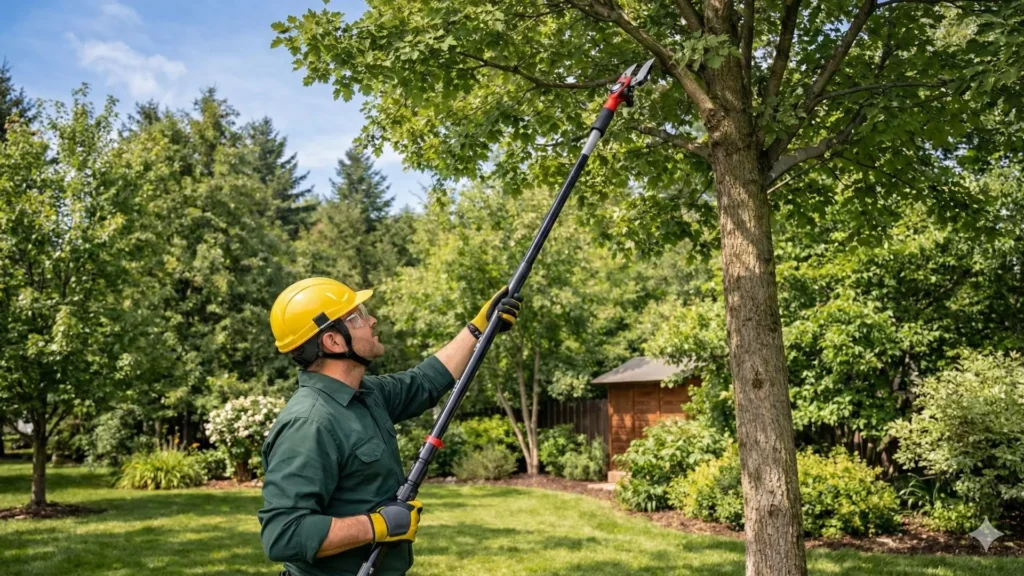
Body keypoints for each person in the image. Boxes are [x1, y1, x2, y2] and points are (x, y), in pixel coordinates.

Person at [259, 277, 522, 576]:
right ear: (333, 341)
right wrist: (377, 526)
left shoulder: (368, 394)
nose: (372, 320)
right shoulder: (309, 423)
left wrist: (478, 329)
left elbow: (425, 381)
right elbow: (284, 534)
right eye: (358, 317)